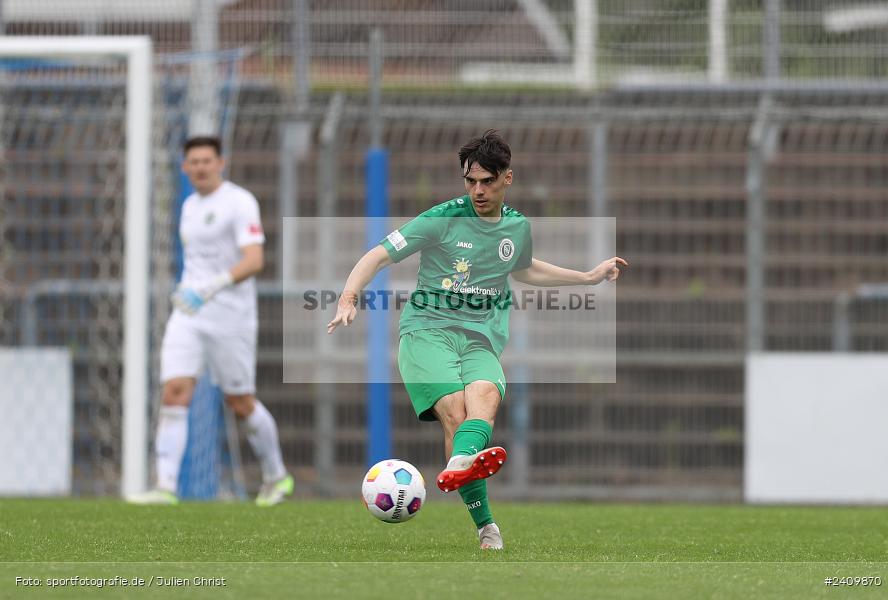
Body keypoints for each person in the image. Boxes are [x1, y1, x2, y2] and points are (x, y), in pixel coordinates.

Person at [327, 130, 626, 548]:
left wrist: (587, 277)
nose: (478, 190)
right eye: (471, 181)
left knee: (484, 401)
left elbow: (523, 269)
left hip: (480, 338)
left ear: (508, 178)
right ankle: (486, 525)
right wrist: (347, 297)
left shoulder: (517, 226)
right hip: (427, 333)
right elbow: (378, 254)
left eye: (487, 181)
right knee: (455, 413)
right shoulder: (442, 218)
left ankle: (462, 465)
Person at [130, 135, 293, 506]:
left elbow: (254, 260)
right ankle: (165, 487)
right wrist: (190, 291)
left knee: (240, 401)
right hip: (189, 315)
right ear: (185, 168)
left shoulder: (239, 202)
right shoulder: (188, 205)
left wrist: (210, 288)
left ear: (221, 162)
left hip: (231, 317)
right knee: (174, 390)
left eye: (207, 160)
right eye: (194, 162)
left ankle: (276, 476)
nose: (200, 167)